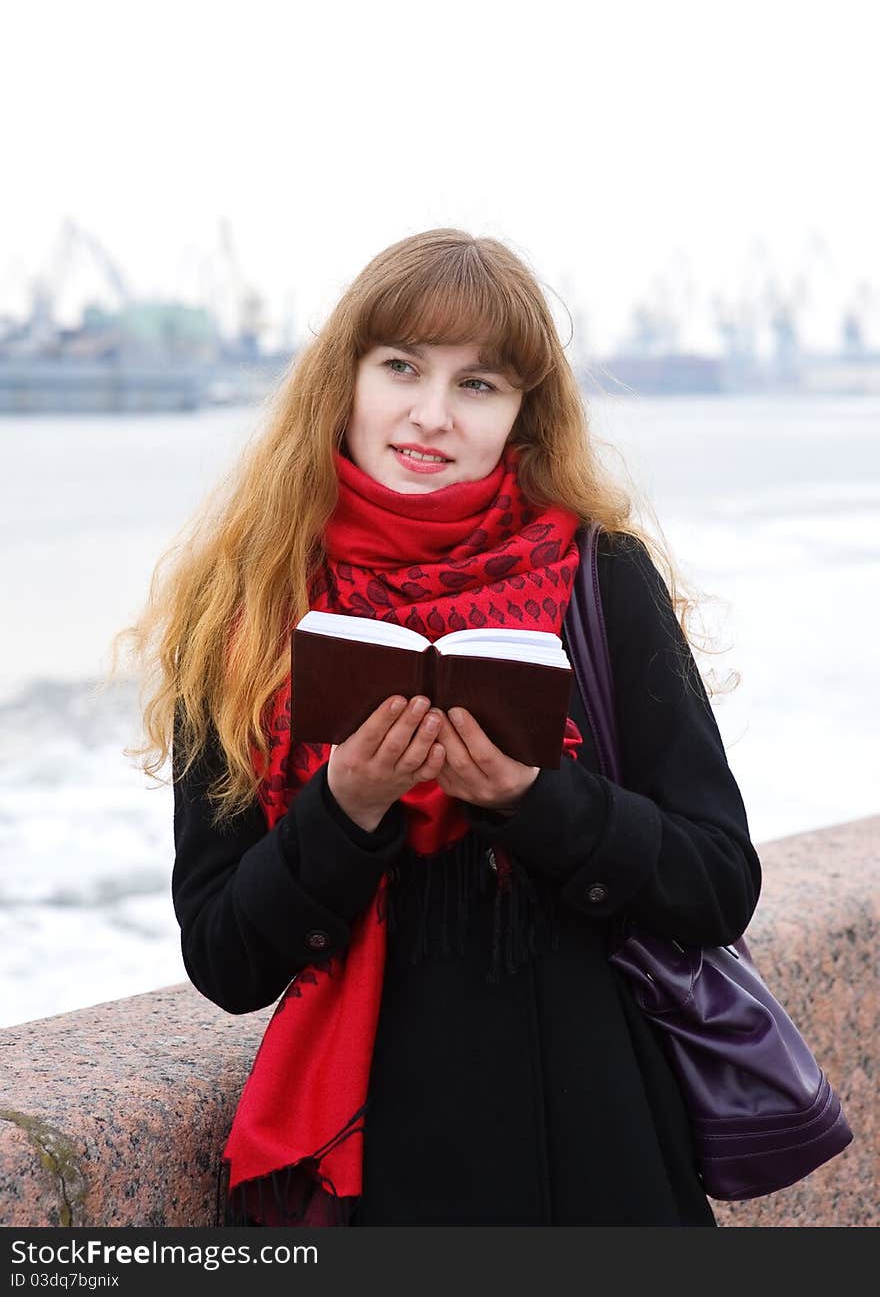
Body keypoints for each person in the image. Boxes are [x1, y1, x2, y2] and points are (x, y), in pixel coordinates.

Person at [119, 228, 762, 1226]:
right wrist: (345, 809)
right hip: (381, 1158)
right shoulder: (243, 610)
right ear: (347, 378)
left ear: (521, 418)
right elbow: (224, 958)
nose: (430, 414)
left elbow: (718, 883)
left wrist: (534, 798)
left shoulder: (602, 580)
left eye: (479, 384)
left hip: (597, 1137)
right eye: (402, 367)